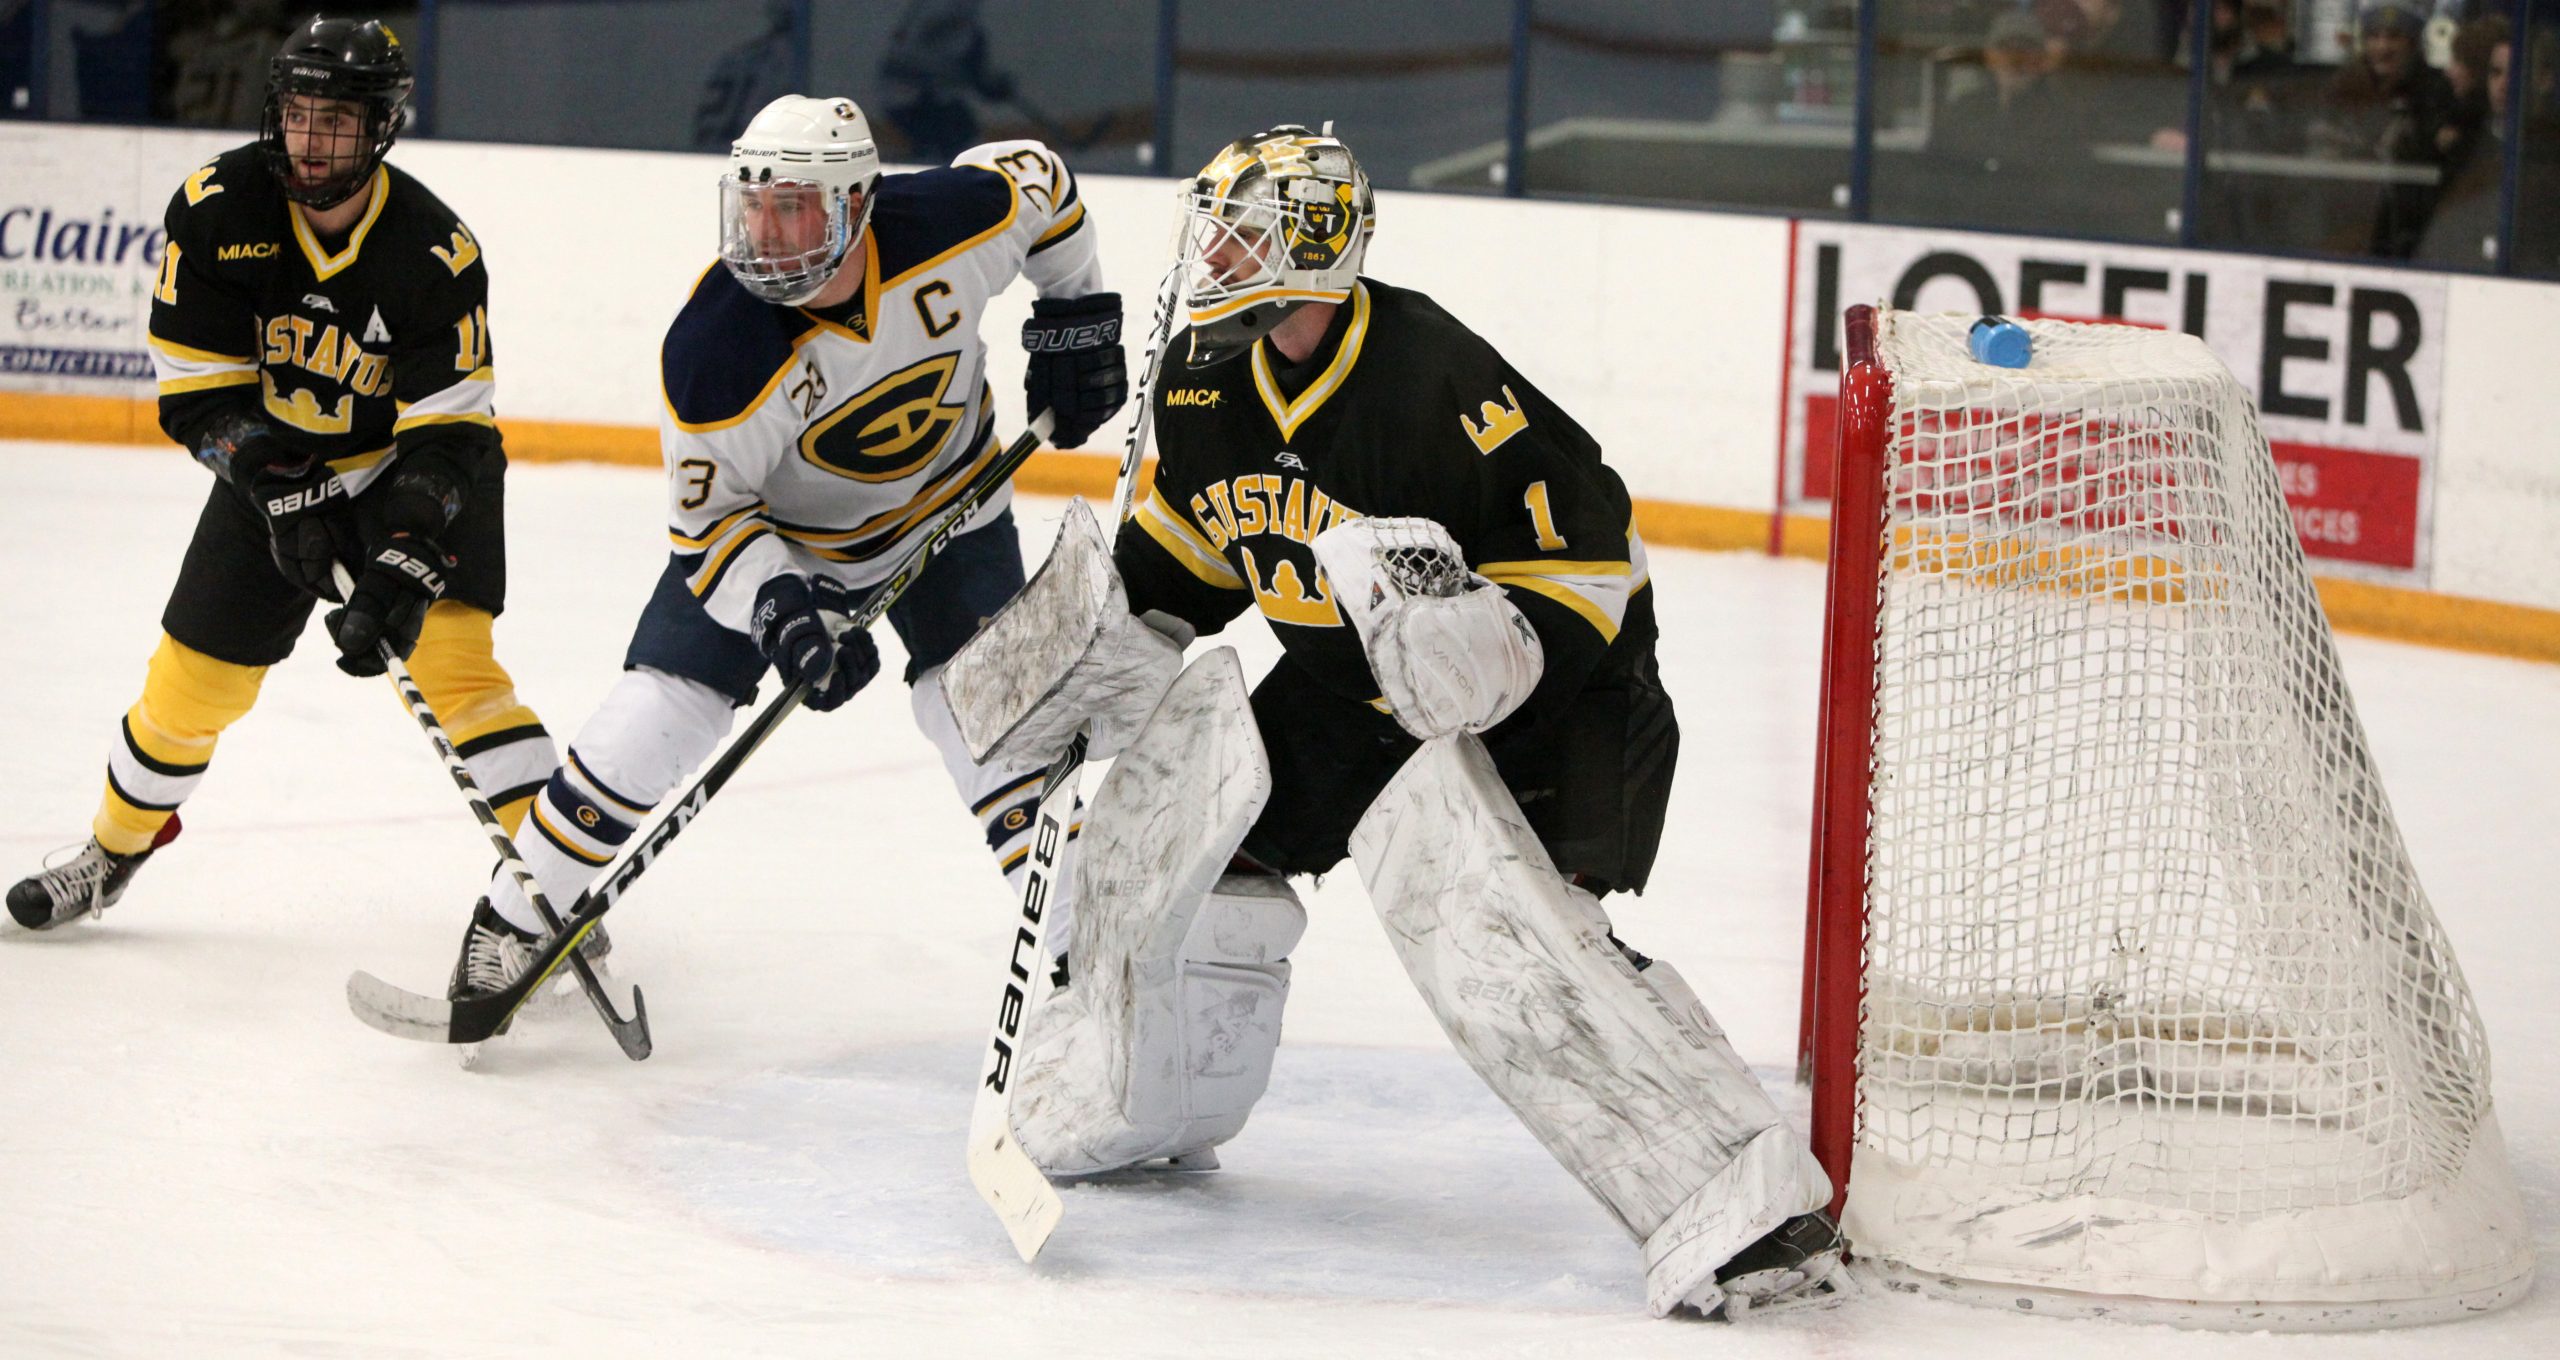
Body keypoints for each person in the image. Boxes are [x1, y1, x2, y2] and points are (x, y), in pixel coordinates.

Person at [942, 126, 1842, 1319]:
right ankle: (1145, 1107)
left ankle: (1743, 1199)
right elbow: (1193, 553)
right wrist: (1098, 655)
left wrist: (1470, 659)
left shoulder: (1433, 379)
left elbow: (1587, 566)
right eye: (1207, 229)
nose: (1212, 255)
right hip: (1347, 690)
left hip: (1559, 692)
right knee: (1177, 841)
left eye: (1242, 233)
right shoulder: (1204, 377)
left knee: (1502, 931)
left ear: (1312, 246)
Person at [438, 92, 1126, 1002]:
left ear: (854, 204)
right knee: (661, 711)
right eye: (753, 206)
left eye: (792, 207)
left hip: (950, 506)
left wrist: (1075, 321)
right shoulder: (713, 352)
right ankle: (517, 921)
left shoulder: (951, 223)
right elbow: (711, 524)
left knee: (993, 717)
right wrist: (781, 612)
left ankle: (1094, 954)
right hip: (785, 541)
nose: (766, 232)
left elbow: (1044, 183)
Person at [8, 16, 561, 933]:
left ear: (380, 127)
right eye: (300, 114)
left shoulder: (435, 252)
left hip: (406, 472)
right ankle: (112, 853)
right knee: (191, 686)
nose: (311, 141)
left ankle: (557, 893)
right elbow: (196, 394)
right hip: (276, 462)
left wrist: (408, 548)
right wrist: (270, 484)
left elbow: (454, 432)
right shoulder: (218, 207)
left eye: (336, 121)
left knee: (458, 676)